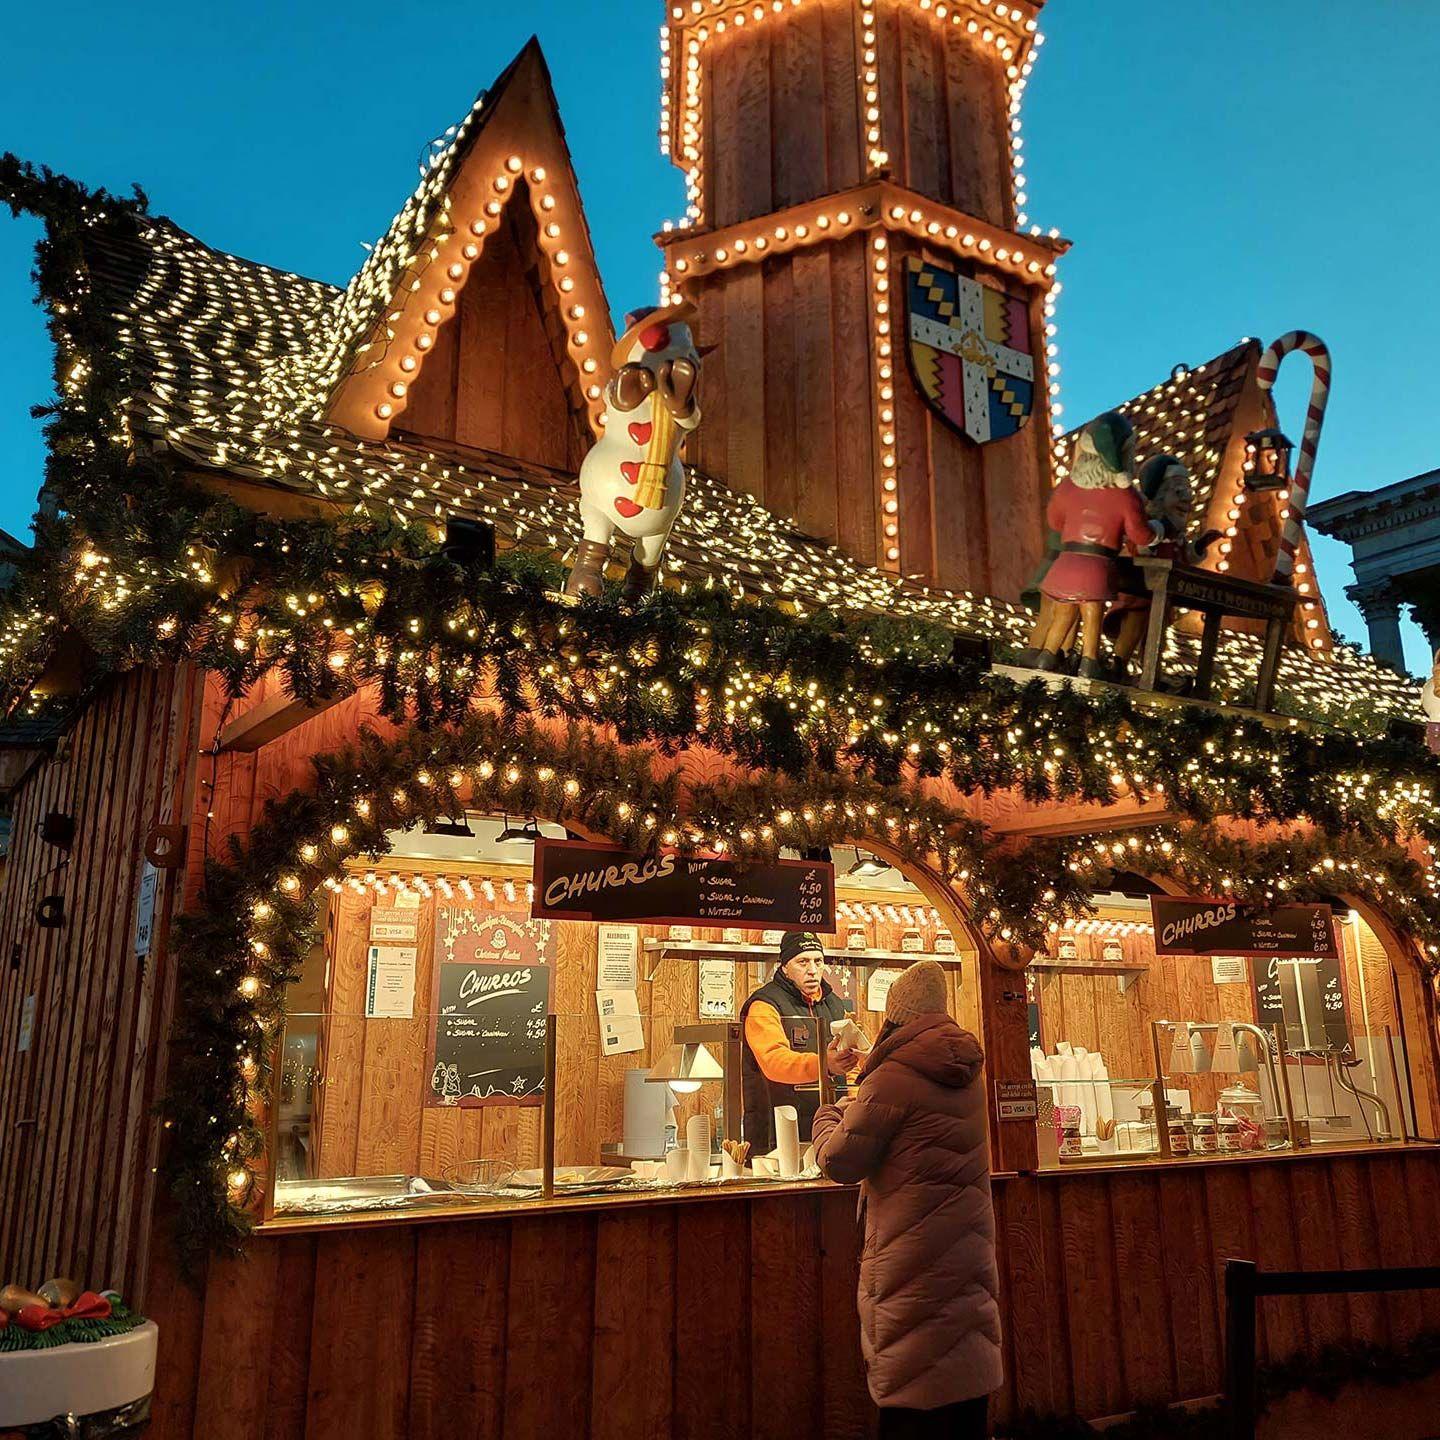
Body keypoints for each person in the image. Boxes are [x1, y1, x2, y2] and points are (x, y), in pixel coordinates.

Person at [811, 961, 1001, 1439]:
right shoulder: (966, 1072)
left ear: (894, 1016)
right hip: (967, 1254)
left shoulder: (892, 1077)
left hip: (911, 1259)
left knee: (912, 1397)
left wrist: (826, 1118)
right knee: (962, 1380)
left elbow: (840, 1163)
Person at [739, 931, 858, 1151]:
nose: (812, 970)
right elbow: (774, 1062)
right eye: (802, 962)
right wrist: (825, 1064)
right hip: (777, 1136)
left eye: (818, 961)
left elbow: (854, 1061)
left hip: (833, 1131)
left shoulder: (835, 1004)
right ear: (784, 967)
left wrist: (855, 1103)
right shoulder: (764, 1005)